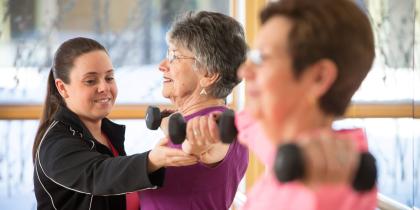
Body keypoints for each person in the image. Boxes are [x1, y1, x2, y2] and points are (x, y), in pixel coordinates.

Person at [235, 0, 377, 209]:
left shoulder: (326, 186)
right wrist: (219, 124)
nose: (244, 72)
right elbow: (253, 130)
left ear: (318, 78)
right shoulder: (288, 148)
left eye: (262, 57)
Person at [32, 37, 198, 210]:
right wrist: (153, 159)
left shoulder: (105, 132)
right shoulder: (56, 145)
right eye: (90, 81)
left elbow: (122, 186)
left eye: (109, 78)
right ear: (62, 88)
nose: (104, 87)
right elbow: (100, 176)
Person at [140, 11, 249, 210]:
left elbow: (203, 143)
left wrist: (186, 138)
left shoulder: (212, 128)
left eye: (174, 56)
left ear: (207, 74)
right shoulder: (223, 121)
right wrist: (172, 124)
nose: (162, 66)